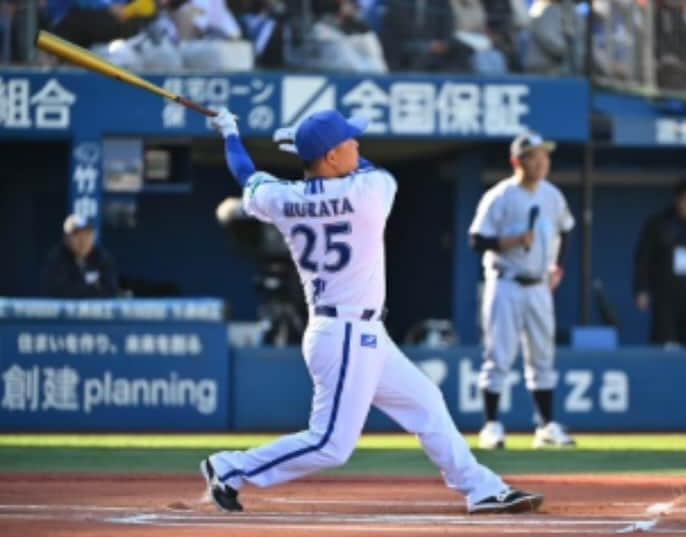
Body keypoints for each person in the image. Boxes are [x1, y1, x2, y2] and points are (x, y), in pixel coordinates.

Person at [200, 107, 543, 515]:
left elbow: (247, 176)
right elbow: (368, 168)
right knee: (330, 444)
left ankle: (480, 487)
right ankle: (230, 469)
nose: (357, 144)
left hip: (353, 332)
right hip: (344, 334)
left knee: (426, 402)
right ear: (330, 157)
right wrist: (303, 146)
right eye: (347, 140)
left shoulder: (282, 198)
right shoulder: (369, 192)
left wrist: (230, 134)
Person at [468, 131, 575, 450]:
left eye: (545, 154)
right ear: (517, 161)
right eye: (534, 155)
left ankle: (545, 426)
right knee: (498, 354)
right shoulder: (500, 196)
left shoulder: (552, 195)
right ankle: (491, 425)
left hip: (539, 284)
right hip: (505, 282)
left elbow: (566, 229)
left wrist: (558, 266)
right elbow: (476, 240)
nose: (542, 161)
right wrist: (513, 241)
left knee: (543, 355)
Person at [633, 178, 686, 347]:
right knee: (664, 337)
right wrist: (641, 289)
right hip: (666, 291)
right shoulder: (659, 223)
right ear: (679, 199)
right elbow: (644, 257)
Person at [41, 213, 119, 299]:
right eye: (76, 234)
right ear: (66, 237)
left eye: (87, 234)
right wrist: (91, 285)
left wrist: (79, 285)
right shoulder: (57, 258)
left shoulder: (101, 257)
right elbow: (59, 292)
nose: (83, 240)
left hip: (95, 311)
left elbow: (111, 291)